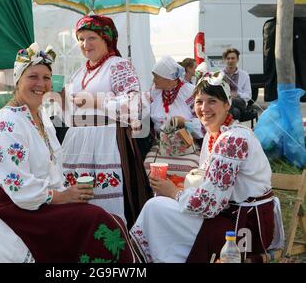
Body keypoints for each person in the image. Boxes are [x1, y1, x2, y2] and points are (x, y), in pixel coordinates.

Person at [0, 43, 138, 263]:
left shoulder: (41, 118)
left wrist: (66, 194)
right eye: (33, 76)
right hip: (11, 208)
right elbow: (19, 188)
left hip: (35, 203)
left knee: (105, 218)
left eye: (46, 78)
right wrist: (61, 196)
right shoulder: (4, 124)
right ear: (17, 81)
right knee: (94, 219)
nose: (41, 84)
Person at [130, 71, 279, 263]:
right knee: (157, 209)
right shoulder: (214, 135)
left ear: (227, 105)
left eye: (212, 101)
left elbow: (210, 204)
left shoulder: (233, 140)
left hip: (245, 228)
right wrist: (182, 191)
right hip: (228, 214)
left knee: (155, 209)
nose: (204, 108)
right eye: (199, 102)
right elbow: (210, 189)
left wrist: (175, 192)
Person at [61, 15, 153, 228]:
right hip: (78, 143)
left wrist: (95, 100)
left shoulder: (118, 65)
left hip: (107, 143)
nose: (85, 44)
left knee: (107, 204)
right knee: (78, 200)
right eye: (81, 39)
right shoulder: (80, 71)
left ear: (106, 39)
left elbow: (134, 105)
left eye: (91, 37)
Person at [221, 48, 252, 120]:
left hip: (239, 102)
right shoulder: (220, 74)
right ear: (225, 60)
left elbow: (248, 95)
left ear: (237, 60)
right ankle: (233, 129)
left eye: (233, 58)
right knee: (235, 112)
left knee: (232, 101)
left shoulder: (244, 75)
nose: (230, 60)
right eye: (228, 58)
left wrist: (238, 94)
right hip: (225, 104)